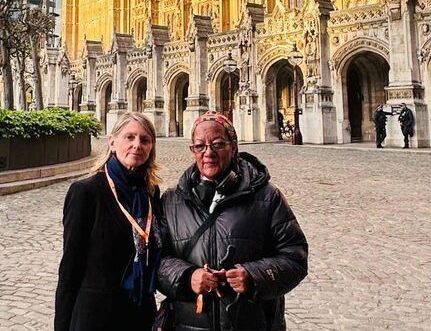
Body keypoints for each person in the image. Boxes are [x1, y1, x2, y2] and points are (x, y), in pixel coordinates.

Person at [157, 111, 308, 330]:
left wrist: (254, 276)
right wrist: (187, 276)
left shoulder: (267, 197)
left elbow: (296, 257)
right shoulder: (172, 201)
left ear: (233, 147)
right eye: (200, 146)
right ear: (193, 151)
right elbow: (157, 260)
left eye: (218, 144)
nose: (208, 153)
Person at [54, 112, 161, 331]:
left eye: (144, 140)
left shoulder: (151, 193)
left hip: (140, 314)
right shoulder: (86, 192)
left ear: (151, 147)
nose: (136, 145)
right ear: (112, 142)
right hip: (97, 317)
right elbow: (70, 269)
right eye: (129, 137)